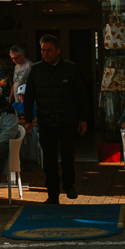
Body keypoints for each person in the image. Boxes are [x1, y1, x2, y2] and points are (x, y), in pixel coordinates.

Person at [22, 35, 90, 204]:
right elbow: (29, 96)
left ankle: (69, 185)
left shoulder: (70, 68)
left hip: (67, 119)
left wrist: (83, 119)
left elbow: (80, 96)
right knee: (49, 158)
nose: (46, 54)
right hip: (46, 120)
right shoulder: (36, 70)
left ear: (58, 50)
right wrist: (28, 120)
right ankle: (52, 193)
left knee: (67, 154)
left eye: (49, 50)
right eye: (43, 50)